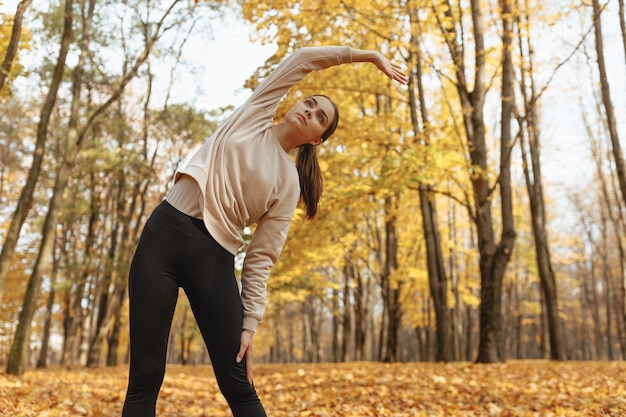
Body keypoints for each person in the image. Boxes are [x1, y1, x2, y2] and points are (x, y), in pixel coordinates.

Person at [121, 45, 407, 417]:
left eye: (320, 117)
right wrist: (367, 56)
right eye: (310, 103)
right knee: (145, 376)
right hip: (163, 237)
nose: (309, 111)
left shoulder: (289, 183)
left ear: (317, 139)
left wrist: (250, 322)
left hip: (213, 260)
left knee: (239, 384)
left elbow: (261, 256)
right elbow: (303, 59)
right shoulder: (253, 115)